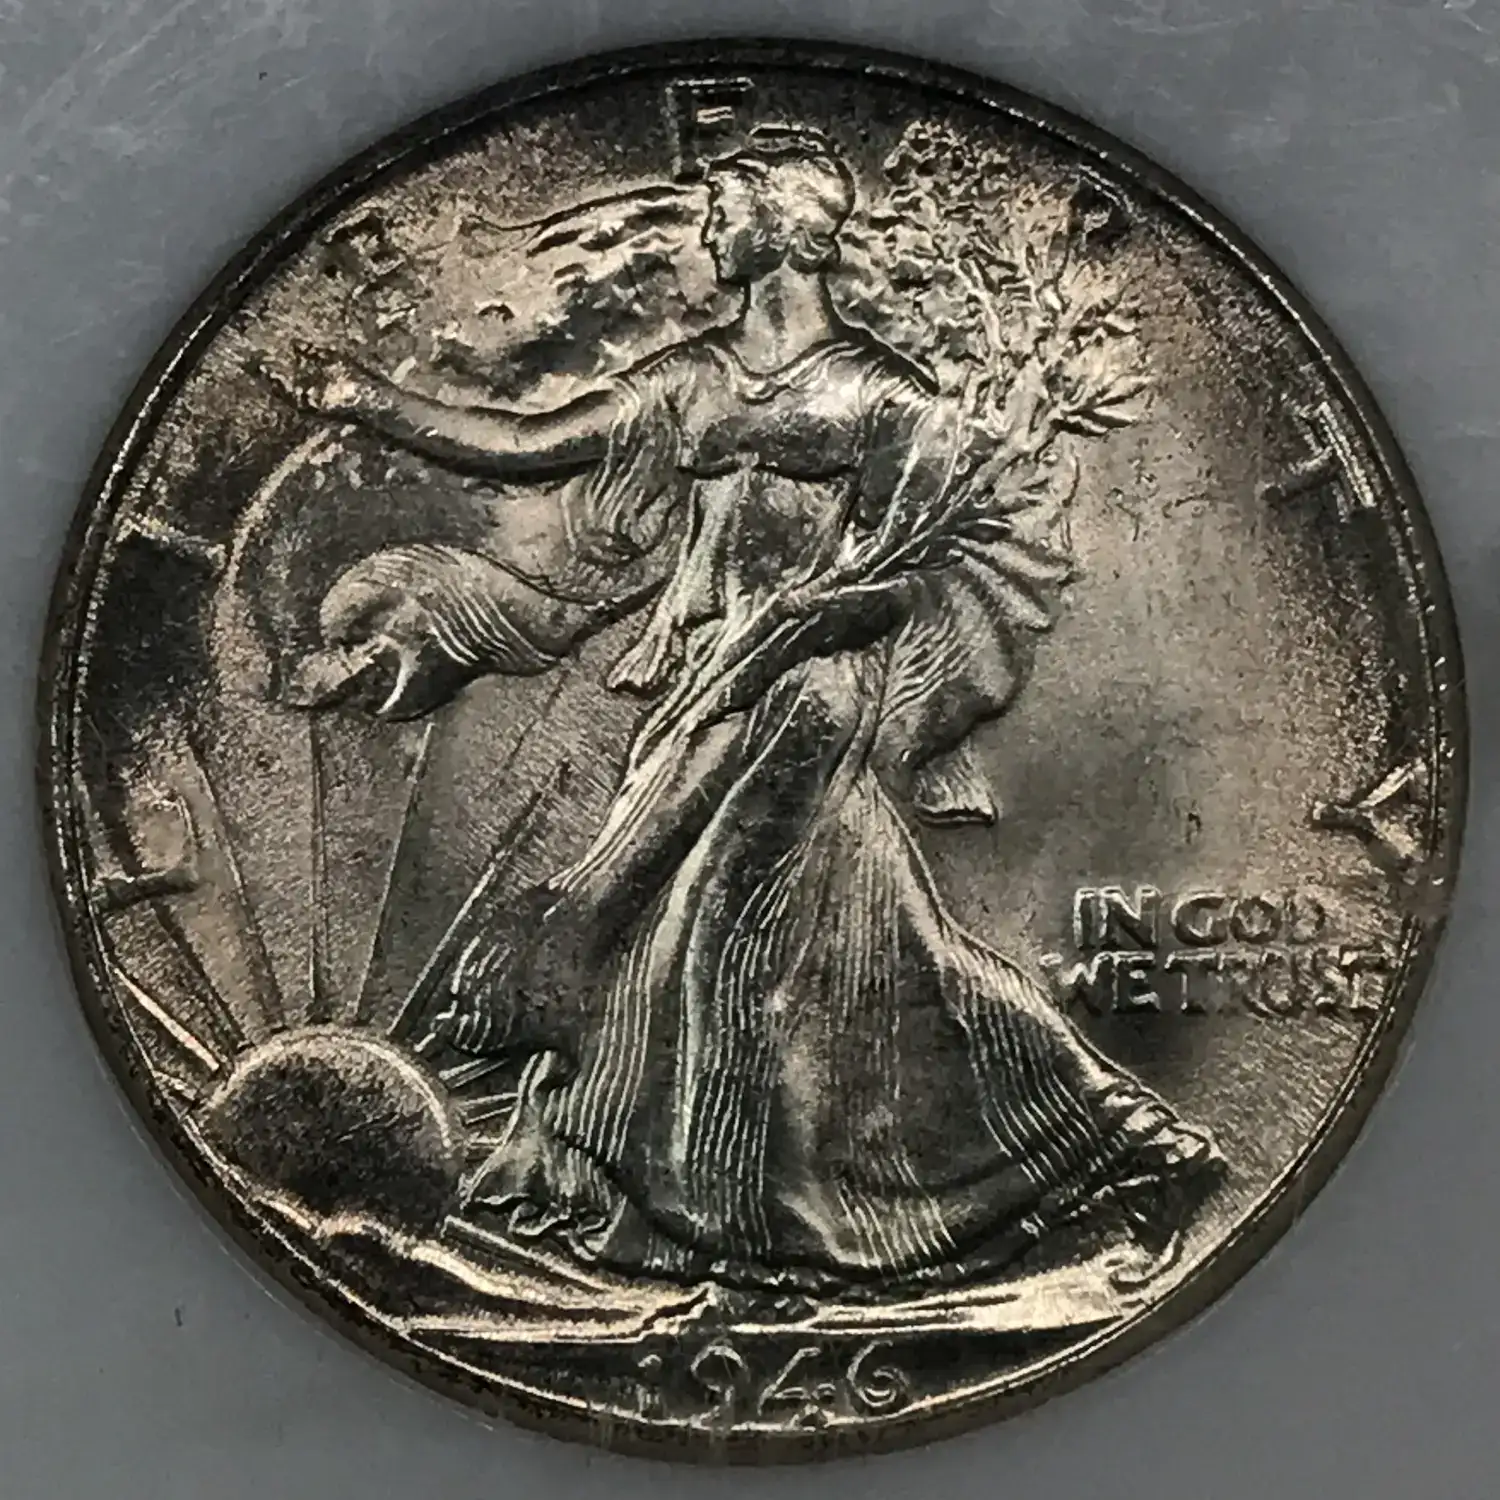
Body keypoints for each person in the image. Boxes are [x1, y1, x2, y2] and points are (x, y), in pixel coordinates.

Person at [296, 125, 1222, 1287]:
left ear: (782, 228)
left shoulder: (883, 394)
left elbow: (914, 576)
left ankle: (749, 1229)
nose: (711, 227)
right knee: (868, 951)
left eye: (727, 208)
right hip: (709, 685)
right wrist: (370, 401)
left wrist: (819, 616)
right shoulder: (690, 377)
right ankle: (1122, 1151)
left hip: (808, 694)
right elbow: (529, 444)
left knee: (712, 949)